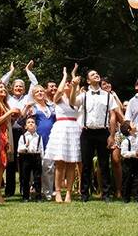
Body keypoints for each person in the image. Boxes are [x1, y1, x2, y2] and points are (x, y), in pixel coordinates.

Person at [75, 69, 118, 202]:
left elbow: (112, 115)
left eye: (97, 74)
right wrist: (73, 86)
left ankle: (106, 194)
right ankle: (84, 194)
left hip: (103, 132)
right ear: (88, 80)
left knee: (104, 164)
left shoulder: (108, 95)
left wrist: (111, 135)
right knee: (86, 164)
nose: (96, 75)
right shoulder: (84, 96)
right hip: (87, 132)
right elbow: (72, 103)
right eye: (93, 74)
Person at [44, 66, 81, 203]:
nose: (67, 84)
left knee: (71, 163)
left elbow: (76, 88)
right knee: (59, 163)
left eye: (69, 83)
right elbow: (59, 90)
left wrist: (73, 75)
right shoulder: (58, 99)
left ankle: (69, 193)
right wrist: (65, 75)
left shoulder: (76, 99)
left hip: (73, 128)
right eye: (66, 83)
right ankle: (58, 191)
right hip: (61, 128)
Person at [0, 60, 37, 197]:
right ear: (12, 88)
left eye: (21, 86)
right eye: (16, 86)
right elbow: (2, 83)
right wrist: (11, 71)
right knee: (11, 161)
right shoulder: (8, 98)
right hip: (10, 131)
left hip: (24, 132)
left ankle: (24, 189)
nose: (19, 88)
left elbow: (35, 83)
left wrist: (28, 70)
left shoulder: (28, 98)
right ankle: (9, 191)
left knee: (24, 161)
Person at [26, 84, 55, 198]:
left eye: (41, 91)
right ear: (33, 95)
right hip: (37, 139)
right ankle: (35, 190)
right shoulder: (33, 108)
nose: (40, 93)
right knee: (36, 167)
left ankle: (48, 192)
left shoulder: (51, 107)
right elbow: (23, 121)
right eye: (37, 92)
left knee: (49, 167)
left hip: (51, 138)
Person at [16, 116, 43, 201]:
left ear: (36, 126)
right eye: (28, 122)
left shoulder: (39, 137)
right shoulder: (22, 137)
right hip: (25, 157)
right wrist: (25, 146)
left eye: (33, 122)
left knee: (37, 178)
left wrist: (42, 159)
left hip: (36, 157)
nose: (31, 123)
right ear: (25, 126)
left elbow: (42, 149)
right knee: (25, 177)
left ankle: (38, 196)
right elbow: (19, 149)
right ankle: (25, 196)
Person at [118, 120, 138, 203]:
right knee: (127, 179)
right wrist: (134, 153)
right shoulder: (126, 141)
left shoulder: (137, 139)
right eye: (133, 124)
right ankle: (126, 197)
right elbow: (124, 153)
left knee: (136, 178)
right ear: (129, 130)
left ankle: (137, 196)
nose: (135, 125)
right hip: (128, 162)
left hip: (136, 161)